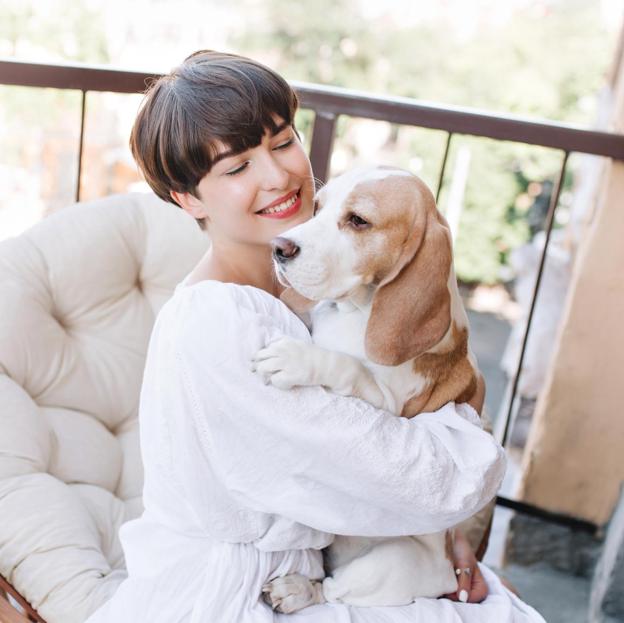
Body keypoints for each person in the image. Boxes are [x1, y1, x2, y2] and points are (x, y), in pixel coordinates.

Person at [85, 50, 545, 623]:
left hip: (326, 567)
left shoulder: (316, 294)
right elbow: (416, 479)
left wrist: (439, 536)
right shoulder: (222, 324)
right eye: (236, 168)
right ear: (188, 198)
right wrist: (465, 446)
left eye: (281, 143)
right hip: (240, 595)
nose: (278, 176)